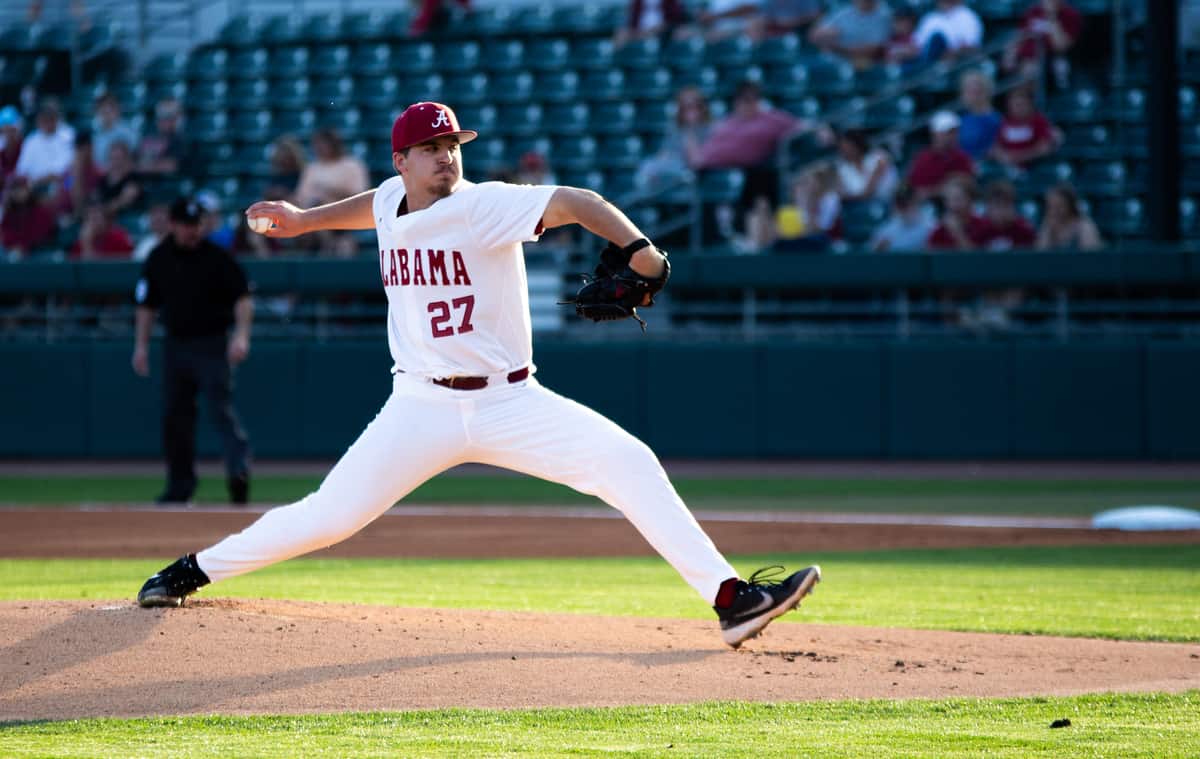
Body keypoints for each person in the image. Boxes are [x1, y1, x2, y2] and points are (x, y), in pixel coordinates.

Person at [133, 101, 821, 650]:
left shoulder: (482, 203)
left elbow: (578, 200)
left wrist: (640, 251)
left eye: (453, 146)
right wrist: (305, 219)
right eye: (432, 149)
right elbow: (371, 203)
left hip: (511, 401)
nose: (445, 158)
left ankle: (731, 600)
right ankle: (192, 570)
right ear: (401, 161)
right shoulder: (388, 203)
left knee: (627, 462)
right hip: (418, 407)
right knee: (329, 516)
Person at [131, 196, 253, 505]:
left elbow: (242, 297)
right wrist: (141, 346)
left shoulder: (217, 257)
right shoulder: (158, 258)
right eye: (186, 225)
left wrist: (241, 336)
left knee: (221, 412)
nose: (192, 230)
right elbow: (146, 306)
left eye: (196, 224)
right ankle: (179, 486)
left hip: (212, 344)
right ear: (172, 225)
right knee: (176, 418)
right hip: (176, 345)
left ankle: (238, 477)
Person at [633, 86, 711, 193]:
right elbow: (664, 153)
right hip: (672, 168)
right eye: (685, 107)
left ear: (702, 107)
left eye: (694, 106)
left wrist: (690, 131)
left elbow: (696, 160)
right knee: (647, 165)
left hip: (691, 170)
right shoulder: (675, 128)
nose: (690, 111)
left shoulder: (710, 128)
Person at [1004, 0, 1082, 89]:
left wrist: (1051, 15)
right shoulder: (1033, 11)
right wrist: (1010, 54)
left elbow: (1060, 46)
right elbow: (1019, 36)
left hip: (1049, 62)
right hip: (1023, 59)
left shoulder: (1071, 15)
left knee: (1030, 70)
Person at [772, 162, 841, 253]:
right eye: (805, 183)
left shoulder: (830, 199)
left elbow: (820, 230)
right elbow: (780, 234)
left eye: (812, 182)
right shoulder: (788, 210)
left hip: (823, 242)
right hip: (798, 243)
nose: (809, 187)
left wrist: (808, 205)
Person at [906, 111, 975, 199]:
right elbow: (917, 191)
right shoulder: (923, 158)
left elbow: (972, 184)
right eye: (948, 132)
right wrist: (943, 187)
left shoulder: (961, 156)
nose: (953, 136)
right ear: (935, 134)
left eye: (955, 132)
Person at [808, 0, 894, 69]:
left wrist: (836, 48)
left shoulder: (883, 16)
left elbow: (873, 50)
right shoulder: (843, 13)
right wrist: (827, 34)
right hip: (832, 61)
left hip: (863, 64)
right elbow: (813, 36)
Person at [14, 99, 74, 194]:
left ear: (56, 119)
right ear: (38, 120)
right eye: (43, 119)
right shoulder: (30, 140)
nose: (46, 122)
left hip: (60, 186)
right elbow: (21, 170)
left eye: (50, 118)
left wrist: (42, 180)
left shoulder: (68, 136)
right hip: (32, 188)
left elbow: (65, 169)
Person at [991, 87, 1058, 169]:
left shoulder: (1039, 121)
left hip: (1035, 166)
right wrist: (1003, 156)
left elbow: (1045, 147)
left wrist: (1020, 157)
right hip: (1008, 166)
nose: (1019, 108)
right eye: (1015, 105)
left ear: (1030, 104)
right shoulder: (1004, 122)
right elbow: (996, 146)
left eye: (1021, 105)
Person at [834, 129, 898, 202]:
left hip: (888, 202)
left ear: (857, 145)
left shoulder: (879, 157)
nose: (845, 150)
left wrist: (849, 197)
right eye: (842, 147)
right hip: (860, 207)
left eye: (848, 146)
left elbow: (869, 192)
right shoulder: (842, 168)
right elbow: (840, 193)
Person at [0, 176, 55, 260]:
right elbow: (6, 233)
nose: (18, 193)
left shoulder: (40, 211)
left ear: (28, 190)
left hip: (36, 251)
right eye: (15, 190)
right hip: (13, 251)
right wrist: (14, 246)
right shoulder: (9, 213)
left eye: (21, 189)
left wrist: (24, 248)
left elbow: (42, 235)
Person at [868, 183, 934, 252]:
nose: (903, 208)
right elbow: (869, 254)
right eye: (899, 204)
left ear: (917, 202)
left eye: (906, 204)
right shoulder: (887, 229)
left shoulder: (930, 227)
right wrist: (878, 248)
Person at [1036, 182, 1102, 251]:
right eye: (1050, 206)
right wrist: (1049, 231)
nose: (1054, 211)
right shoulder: (1047, 224)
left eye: (1059, 206)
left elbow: (1089, 255)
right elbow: (1040, 254)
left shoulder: (1084, 225)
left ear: (1070, 205)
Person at [912, 0, 982, 64]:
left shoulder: (966, 15)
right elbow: (917, 46)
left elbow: (971, 47)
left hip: (959, 63)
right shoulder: (930, 18)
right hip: (927, 64)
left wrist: (949, 53)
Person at [927, 176, 986, 250]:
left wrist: (957, 232)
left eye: (957, 199)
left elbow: (980, 259)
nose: (952, 205)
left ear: (971, 200)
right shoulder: (940, 230)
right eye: (948, 199)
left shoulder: (985, 226)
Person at [976, 179, 1035, 250]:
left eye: (1006, 205)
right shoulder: (980, 229)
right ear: (989, 208)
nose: (1002, 211)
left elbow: (1037, 250)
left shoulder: (1023, 229)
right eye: (997, 206)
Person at [957, 69, 1002, 162]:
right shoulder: (964, 119)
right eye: (964, 90)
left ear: (983, 92)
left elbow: (996, 151)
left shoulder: (994, 120)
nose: (963, 95)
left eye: (969, 90)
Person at [137, 98, 188, 177]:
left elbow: (171, 166)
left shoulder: (180, 141)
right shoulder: (149, 138)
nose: (163, 120)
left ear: (176, 119)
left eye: (168, 116)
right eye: (160, 116)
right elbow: (136, 162)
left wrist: (146, 166)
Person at [91, 92, 138, 171]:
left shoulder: (128, 131)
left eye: (109, 111)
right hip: (103, 175)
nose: (106, 116)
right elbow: (97, 163)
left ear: (117, 110)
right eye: (103, 112)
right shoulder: (97, 134)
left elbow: (132, 159)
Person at [70, 205, 134, 259]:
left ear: (106, 221)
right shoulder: (81, 240)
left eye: (95, 219)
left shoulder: (118, 237)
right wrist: (86, 243)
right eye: (88, 219)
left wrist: (88, 246)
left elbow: (127, 264)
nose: (92, 223)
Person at [614, 0, 688, 46]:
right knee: (621, 33)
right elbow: (632, 19)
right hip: (639, 31)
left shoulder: (670, 2)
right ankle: (617, 65)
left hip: (661, 30)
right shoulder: (638, 2)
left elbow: (675, 18)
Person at [0, 105, 24, 186]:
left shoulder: (25, 145)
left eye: (11, 129)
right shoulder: (1, 145)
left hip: (18, 184)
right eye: (5, 129)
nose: (8, 133)